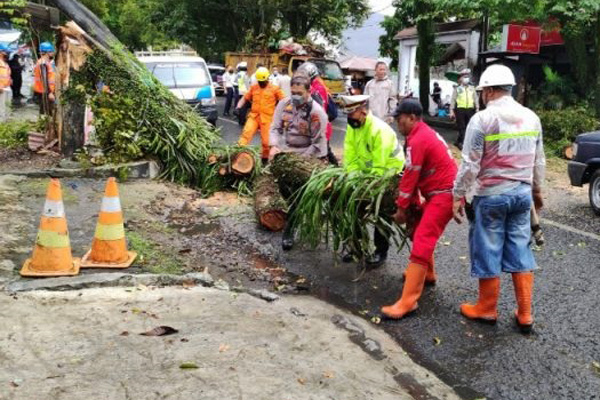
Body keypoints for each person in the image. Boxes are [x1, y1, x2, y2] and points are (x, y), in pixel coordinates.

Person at [452, 64, 545, 334]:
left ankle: (487, 308)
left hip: (491, 196)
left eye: (482, 91)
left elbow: (469, 164)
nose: (481, 95)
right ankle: (525, 313)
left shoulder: (482, 120)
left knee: (488, 246)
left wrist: (457, 195)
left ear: (489, 90)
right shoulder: (531, 117)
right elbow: (539, 160)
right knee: (520, 247)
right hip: (521, 196)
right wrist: (537, 193)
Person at [380, 99, 458, 319]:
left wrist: (402, 208)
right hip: (440, 193)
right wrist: (411, 202)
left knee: (423, 238)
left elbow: (411, 175)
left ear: (412, 117)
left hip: (443, 195)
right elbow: (411, 174)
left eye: (400, 118)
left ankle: (408, 302)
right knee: (419, 229)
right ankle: (429, 274)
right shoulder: (419, 135)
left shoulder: (419, 139)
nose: (397, 122)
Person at [340, 95, 405, 267]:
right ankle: (356, 247)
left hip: (389, 175)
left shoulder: (379, 130)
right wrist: (354, 180)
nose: (349, 118)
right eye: (347, 114)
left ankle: (380, 252)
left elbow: (380, 164)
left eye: (351, 114)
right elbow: (351, 156)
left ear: (363, 111)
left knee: (381, 212)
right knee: (354, 207)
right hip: (365, 176)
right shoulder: (353, 128)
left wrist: (369, 186)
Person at [269, 74, 328, 250]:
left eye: (299, 93)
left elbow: (317, 144)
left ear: (309, 92)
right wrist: (274, 146)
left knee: (296, 197)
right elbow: (275, 128)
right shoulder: (284, 104)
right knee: (286, 192)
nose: (295, 96)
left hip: (309, 155)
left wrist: (298, 161)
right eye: (293, 92)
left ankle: (289, 231)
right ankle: (308, 212)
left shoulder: (317, 113)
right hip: (288, 152)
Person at [236, 67, 285, 162]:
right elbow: (245, 98)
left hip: (267, 118)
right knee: (246, 134)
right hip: (254, 116)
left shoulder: (275, 89)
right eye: (260, 81)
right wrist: (238, 107)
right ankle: (237, 154)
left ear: (267, 79)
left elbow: (284, 101)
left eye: (263, 81)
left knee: (266, 142)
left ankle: (264, 159)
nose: (261, 83)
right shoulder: (254, 87)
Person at [296, 62, 338, 165]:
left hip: (319, 128)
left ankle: (337, 171)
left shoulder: (317, 88)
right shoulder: (314, 86)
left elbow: (317, 111)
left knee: (324, 152)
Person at [450, 68, 478, 150]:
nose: (466, 78)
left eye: (467, 76)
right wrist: (451, 111)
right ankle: (464, 144)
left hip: (470, 110)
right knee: (461, 127)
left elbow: (475, 98)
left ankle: (458, 141)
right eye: (464, 76)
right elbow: (453, 100)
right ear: (461, 78)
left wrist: (477, 108)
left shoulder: (472, 88)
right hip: (460, 110)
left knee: (468, 126)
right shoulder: (457, 88)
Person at [33, 42, 56, 115]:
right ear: (47, 52)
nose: (53, 53)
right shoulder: (43, 63)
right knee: (47, 112)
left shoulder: (43, 62)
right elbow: (44, 79)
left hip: (42, 91)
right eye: (51, 51)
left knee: (44, 111)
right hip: (45, 92)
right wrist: (50, 93)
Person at [0, 44, 12, 122]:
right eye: (5, 52)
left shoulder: (5, 64)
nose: (7, 54)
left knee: (7, 108)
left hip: (7, 88)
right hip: (1, 89)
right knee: (1, 109)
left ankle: (5, 124)